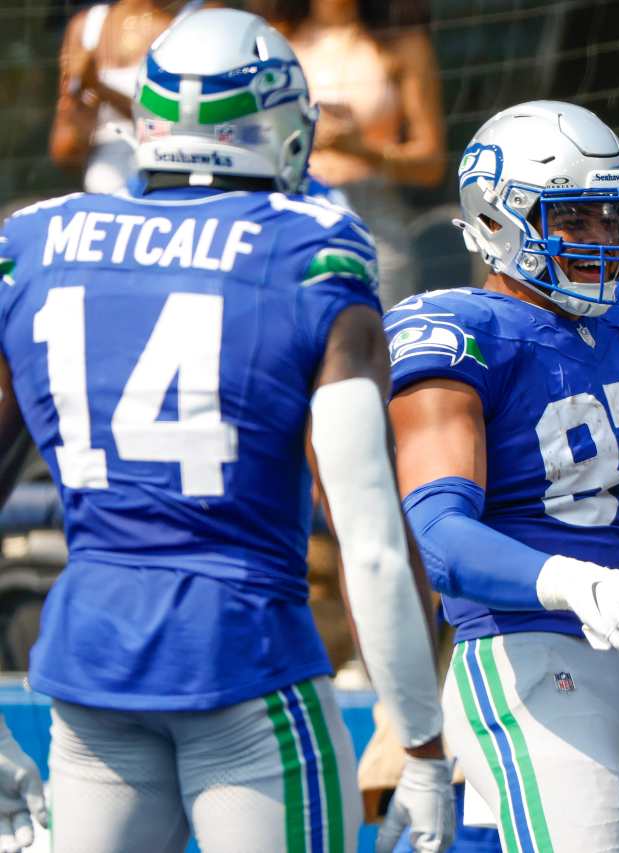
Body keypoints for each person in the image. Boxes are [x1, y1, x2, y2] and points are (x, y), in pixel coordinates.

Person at [0, 10, 452, 852]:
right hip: (247, 662)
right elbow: (371, 534)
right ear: (283, 130)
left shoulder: (35, 239)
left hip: (91, 664)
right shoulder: (311, 253)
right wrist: (421, 748)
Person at [384, 99, 619, 852]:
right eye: (572, 220)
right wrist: (578, 582)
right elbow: (439, 538)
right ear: (496, 220)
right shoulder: (458, 333)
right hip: (524, 653)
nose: (598, 241)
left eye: (608, 217)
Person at [258, 0, 448, 307]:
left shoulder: (403, 44)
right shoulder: (273, 38)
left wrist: (362, 150)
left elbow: (431, 165)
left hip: (372, 223)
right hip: (290, 212)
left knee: (373, 342)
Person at [49, 0, 173, 193]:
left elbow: (176, 124)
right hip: (103, 190)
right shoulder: (87, 26)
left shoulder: (186, 24)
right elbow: (64, 153)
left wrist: (99, 88)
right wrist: (77, 103)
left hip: (167, 186)